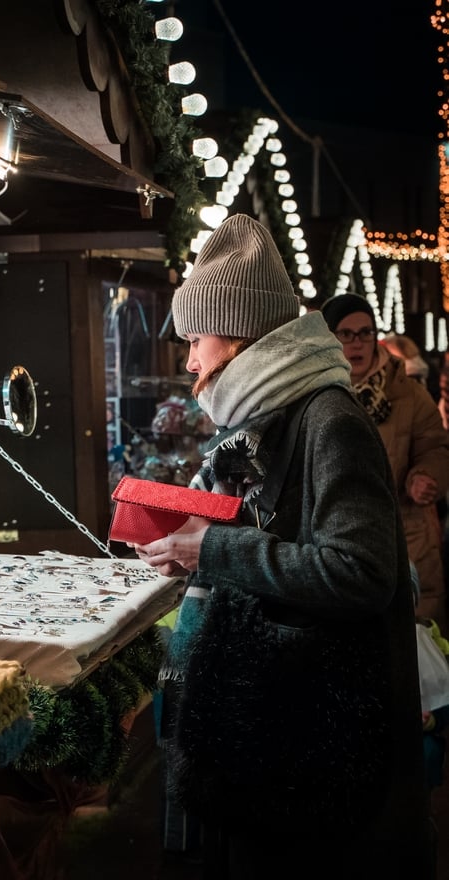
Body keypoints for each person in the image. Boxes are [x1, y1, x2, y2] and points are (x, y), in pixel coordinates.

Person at [131, 213, 430, 879]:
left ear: (235, 338)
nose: (189, 360)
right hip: (296, 732)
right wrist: (206, 529)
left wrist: (214, 549)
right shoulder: (277, 417)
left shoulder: (329, 421)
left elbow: (360, 573)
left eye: (197, 340)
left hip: (323, 744)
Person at [321, 294, 449, 631]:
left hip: (406, 535)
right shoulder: (315, 392)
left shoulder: (407, 392)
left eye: (365, 332)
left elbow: (435, 447)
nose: (357, 343)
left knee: (418, 641)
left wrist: (425, 476)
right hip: (336, 539)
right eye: (345, 334)